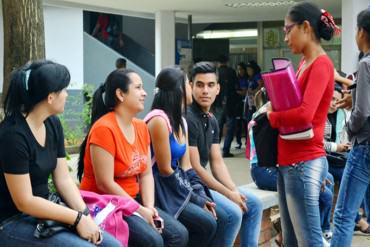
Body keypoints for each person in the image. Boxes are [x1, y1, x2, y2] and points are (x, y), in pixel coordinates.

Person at [0, 60, 120, 246]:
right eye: (63, 90)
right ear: (50, 97)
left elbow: (63, 180)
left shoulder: (52, 124)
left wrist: (85, 215)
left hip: (45, 212)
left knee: (112, 245)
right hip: (13, 220)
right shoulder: (13, 135)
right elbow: (24, 201)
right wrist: (77, 219)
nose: (66, 95)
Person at [78, 69, 188, 247]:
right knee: (152, 240)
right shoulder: (104, 129)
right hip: (106, 203)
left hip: (132, 200)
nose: (144, 93)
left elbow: (145, 174)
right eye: (138, 88)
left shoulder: (140, 126)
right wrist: (140, 210)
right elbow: (104, 184)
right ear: (121, 94)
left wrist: (149, 207)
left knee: (178, 234)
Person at [266, 2, 338, 246]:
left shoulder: (321, 64)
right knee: (292, 241)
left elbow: (305, 114)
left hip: (304, 161)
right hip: (290, 160)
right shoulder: (304, 63)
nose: (285, 37)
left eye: (288, 30)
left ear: (306, 27)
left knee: (309, 241)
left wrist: (272, 116)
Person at [186, 61, 263, 247]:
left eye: (210, 85)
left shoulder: (211, 120)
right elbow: (196, 168)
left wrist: (233, 190)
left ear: (218, 89)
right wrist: (228, 194)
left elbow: (217, 162)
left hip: (202, 184)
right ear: (190, 87)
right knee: (232, 215)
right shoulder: (188, 119)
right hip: (189, 187)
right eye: (200, 85)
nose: (205, 91)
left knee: (254, 204)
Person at [144, 67, 217, 247]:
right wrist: (196, 199)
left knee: (211, 221)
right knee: (202, 225)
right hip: (159, 189)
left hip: (175, 186)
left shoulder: (181, 121)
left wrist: (201, 195)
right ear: (179, 89)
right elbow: (165, 169)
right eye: (187, 83)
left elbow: (186, 167)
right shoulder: (159, 120)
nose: (191, 87)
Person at [331, 9, 370, 247]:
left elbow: (363, 112)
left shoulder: (366, 64)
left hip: (364, 146)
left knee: (344, 215)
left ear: (362, 32)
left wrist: (351, 129)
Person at [216, 55, 240, 157]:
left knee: (217, 128)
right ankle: (226, 151)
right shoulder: (232, 72)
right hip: (230, 104)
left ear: (218, 62)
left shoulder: (215, 73)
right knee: (230, 128)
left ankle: (214, 151)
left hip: (218, 104)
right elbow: (236, 87)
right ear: (227, 61)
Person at [235, 62, 249, 149]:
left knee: (246, 123)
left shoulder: (247, 79)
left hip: (247, 103)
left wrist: (238, 92)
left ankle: (247, 142)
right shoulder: (237, 79)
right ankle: (238, 142)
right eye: (238, 69)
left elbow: (245, 92)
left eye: (241, 69)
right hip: (238, 104)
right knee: (238, 124)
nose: (240, 71)